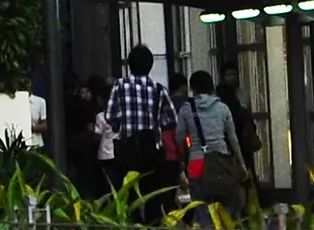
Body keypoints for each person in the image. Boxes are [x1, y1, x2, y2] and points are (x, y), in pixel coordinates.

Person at [105, 45, 179, 196]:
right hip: (151, 148)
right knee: (151, 194)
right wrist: (157, 124)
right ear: (150, 66)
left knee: (128, 194)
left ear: (129, 64)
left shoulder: (119, 85)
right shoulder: (159, 89)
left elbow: (109, 115)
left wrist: (118, 125)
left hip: (127, 149)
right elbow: (172, 119)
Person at [187, 68, 248, 212]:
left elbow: (180, 137)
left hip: (196, 161)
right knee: (223, 205)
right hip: (221, 159)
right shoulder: (223, 108)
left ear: (192, 89)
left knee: (200, 204)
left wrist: (183, 160)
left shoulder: (186, 109)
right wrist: (241, 164)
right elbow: (233, 140)